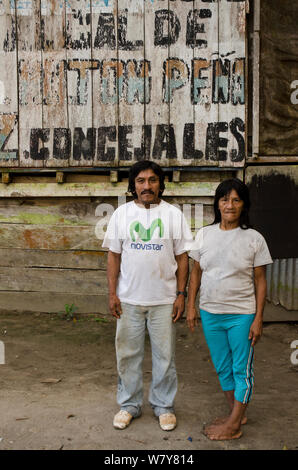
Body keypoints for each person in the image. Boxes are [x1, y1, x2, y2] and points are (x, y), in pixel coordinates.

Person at [102, 160, 193, 431]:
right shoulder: (121, 214)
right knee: (128, 354)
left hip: (164, 300)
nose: (146, 186)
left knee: (165, 356)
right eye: (140, 181)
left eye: (152, 180)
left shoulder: (173, 214)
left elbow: (183, 258)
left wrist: (180, 295)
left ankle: (164, 406)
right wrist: (112, 293)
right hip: (128, 298)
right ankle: (129, 404)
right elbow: (113, 256)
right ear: (133, 185)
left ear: (160, 184)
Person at [186, 178, 273, 441]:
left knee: (240, 369)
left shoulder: (254, 238)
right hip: (211, 312)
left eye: (236, 199)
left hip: (242, 315)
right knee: (223, 367)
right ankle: (237, 413)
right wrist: (191, 306)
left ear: (244, 204)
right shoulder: (205, 234)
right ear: (218, 203)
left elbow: (260, 281)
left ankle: (233, 425)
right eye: (225, 199)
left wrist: (258, 318)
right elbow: (196, 273)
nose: (230, 204)